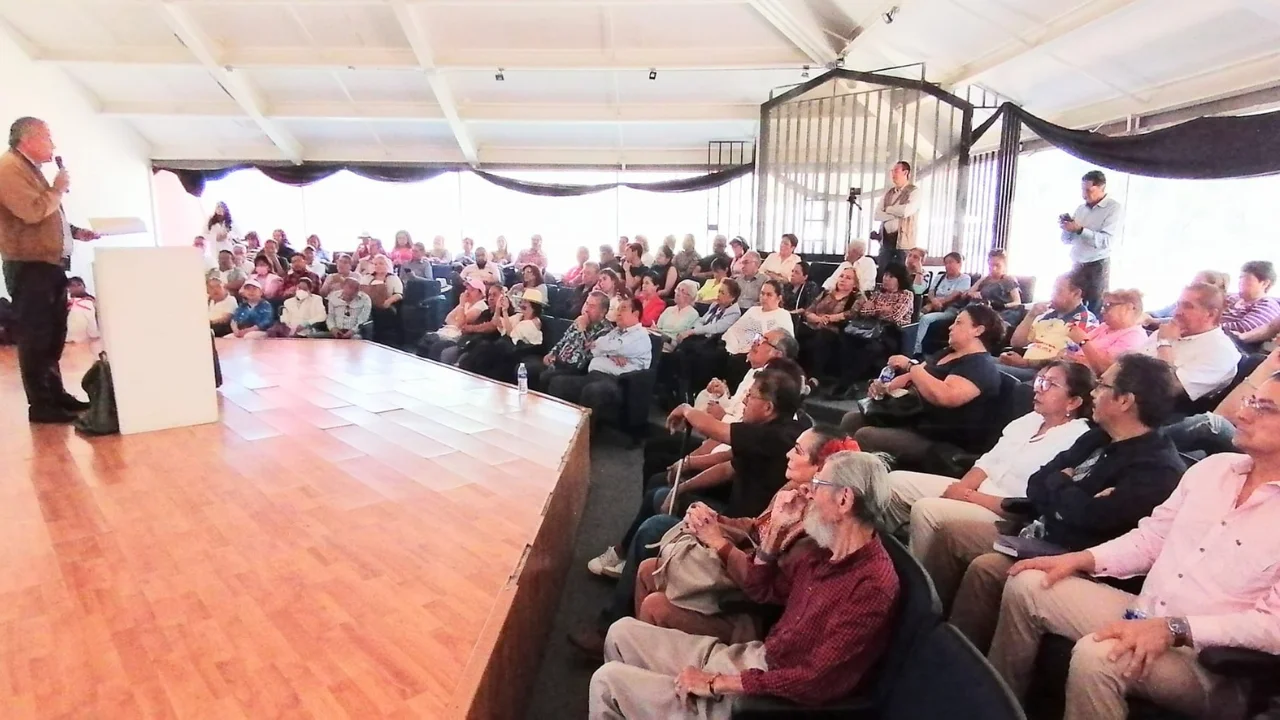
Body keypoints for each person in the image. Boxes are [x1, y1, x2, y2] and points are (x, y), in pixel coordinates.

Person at [985, 367, 1280, 720]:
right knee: (1028, 584)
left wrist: (1178, 627)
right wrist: (1083, 559)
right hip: (1144, 610)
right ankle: (994, 707)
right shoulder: (1214, 469)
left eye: (1265, 408)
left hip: (1212, 665)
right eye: (1251, 400)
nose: (1242, 413)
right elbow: (1152, 539)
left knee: (1101, 658)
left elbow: (1272, 626)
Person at [589, 451, 899, 719]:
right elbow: (762, 590)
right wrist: (776, 529)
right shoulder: (824, 550)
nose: (809, 492)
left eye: (818, 485)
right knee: (620, 633)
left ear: (844, 499)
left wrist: (716, 682)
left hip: (761, 694)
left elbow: (815, 680)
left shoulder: (873, 585)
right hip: (755, 659)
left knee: (607, 682)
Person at [944, 354, 1185, 653]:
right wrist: (1067, 491)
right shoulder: (1098, 437)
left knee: (988, 568)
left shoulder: (1157, 469)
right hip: (1037, 530)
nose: (1093, 393)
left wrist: (1060, 485)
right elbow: (1037, 483)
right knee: (947, 528)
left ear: (1124, 401)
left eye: (1102, 385)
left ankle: (978, 675)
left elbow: (1091, 522)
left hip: (1078, 558)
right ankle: (939, 637)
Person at [575, 363, 806, 646]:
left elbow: (717, 430)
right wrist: (682, 485)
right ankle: (626, 562)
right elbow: (730, 467)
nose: (745, 398)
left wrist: (686, 409)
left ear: (769, 408)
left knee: (653, 527)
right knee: (661, 493)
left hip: (742, 538)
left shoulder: (778, 435)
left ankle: (609, 627)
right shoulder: (765, 430)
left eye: (752, 394)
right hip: (732, 522)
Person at [887, 361, 1093, 539]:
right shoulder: (1031, 419)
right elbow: (988, 461)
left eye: (1051, 384)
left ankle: (923, 574)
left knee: (926, 511)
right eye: (1040, 380)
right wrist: (962, 488)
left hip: (1003, 513)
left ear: (1073, 401)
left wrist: (968, 496)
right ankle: (907, 546)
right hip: (975, 490)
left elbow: (1030, 504)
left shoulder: (1076, 440)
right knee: (894, 483)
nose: (1038, 388)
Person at [0, 118, 100, 422]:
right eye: (47, 138)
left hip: (48, 264)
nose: (53, 145)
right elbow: (31, 212)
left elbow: (45, 215)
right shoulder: (8, 170)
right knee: (37, 335)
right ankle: (42, 405)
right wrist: (57, 188)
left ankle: (56, 395)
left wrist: (73, 232)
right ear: (27, 140)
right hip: (30, 266)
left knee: (53, 333)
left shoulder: (29, 170)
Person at [840, 304, 1006, 463]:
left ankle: (863, 482)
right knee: (851, 419)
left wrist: (910, 365)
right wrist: (883, 388)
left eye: (959, 322)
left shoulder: (979, 365)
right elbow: (910, 377)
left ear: (978, 330)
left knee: (866, 435)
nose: (950, 327)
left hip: (940, 437)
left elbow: (944, 396)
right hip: (913, 419)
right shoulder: (946, 353)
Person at [547, 297, 652, 425]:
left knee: (592, 391)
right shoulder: (616, 332)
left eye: (623, 309)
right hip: (594, 375)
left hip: (618, 381)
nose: (618, 312)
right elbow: (594, 348)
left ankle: (583, 436)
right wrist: (610, 354)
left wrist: (608, 350)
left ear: (636, 314)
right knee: (558, 383)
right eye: (618, 308)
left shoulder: (640, 335)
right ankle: (558, 425)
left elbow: (611, 346)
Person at [1138, 282, 1240, 408]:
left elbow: (1166, 388)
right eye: (1178, 305)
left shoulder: (1222, 351)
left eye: (1187, 306)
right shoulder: (1169, 330)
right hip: (1125, 394)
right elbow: (1128, 363)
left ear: (1211, 314)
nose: (1177, 312)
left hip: (1163, 412)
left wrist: (1164, 343)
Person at [832, 263, 917, 393]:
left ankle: (845, 384)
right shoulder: (878, 293)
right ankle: (848, 381)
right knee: (846, 339)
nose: (886, 279)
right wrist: (883, 310)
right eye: (885, 275)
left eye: (891, 277)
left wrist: (875, 309)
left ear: (899, 280)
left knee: (870, 348)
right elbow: (863, 312)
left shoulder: (906, 295)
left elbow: (895, 316)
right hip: (871, 330)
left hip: (893, 333)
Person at [999, 271, 1098, 381]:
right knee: (980, 362)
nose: (1052, 295)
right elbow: (1016, 343)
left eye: (1058, 291)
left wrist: (1025, 363)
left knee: (989, 371)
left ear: (1076, 294)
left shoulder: (1084, 321)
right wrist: (1031, 316)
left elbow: (1068, 360)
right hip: (1023, 363)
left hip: (1045, 374)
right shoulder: (1047, 314)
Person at [1060, 169, 1120, 315]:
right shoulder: (1081, 209)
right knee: (1072, 307)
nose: (1084, 194)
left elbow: (1107, 241)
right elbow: (1067, 240)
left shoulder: (1113, 208)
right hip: (1077, 263)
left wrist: (1081, 230)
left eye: (1088, 190)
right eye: (1082, 189)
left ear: (1101, 188)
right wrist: (1067, 228)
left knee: (1094, 310)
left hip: (1097, 265)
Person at [533, 291, 613, 391]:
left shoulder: (606, 331)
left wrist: (582, 331)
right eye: (586, 304)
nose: (586, 309)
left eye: (592, 306)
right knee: (531, 369)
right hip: (559, 363)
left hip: (576, 369)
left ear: (603, 311)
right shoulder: (579, 320)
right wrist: (552, 353)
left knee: (548, 377)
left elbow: (585, 357)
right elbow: (564, 340)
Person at [794, 267, 860, 388]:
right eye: (842, 276)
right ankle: (793, 374)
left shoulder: (856, 298)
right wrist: (818, 319)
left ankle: (815, 378)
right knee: (795, 331)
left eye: (848, 278)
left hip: (835, 331)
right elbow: (809, 311)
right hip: (814, 325)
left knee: (822, 336)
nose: (843, 279)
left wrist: (829, 318)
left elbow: (851, 314)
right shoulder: (826, 293)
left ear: (854, 284)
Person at [463, 288, 545, 382]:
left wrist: (505, 311)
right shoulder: (519, 317)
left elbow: (511, 334)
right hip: (509, 348)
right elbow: (497, 322)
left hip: (522, 351)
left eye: (525, 302)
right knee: (483, 346)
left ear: (533, 306)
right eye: (522, 301)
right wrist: (498, 308)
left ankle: (470, 372)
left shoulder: (534, 323)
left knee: (488, 349)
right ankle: (469, 373)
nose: (521, 304)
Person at [1062, 288, 1149, 375]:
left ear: (1129, 308)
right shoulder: (1105, 326)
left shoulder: (1134, 336)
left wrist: (1083, 341)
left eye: (1108, 306)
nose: (1102, 311)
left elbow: (1106, 370)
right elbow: (1080, 353)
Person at [912, 251, 973, 356]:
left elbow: (956, 295)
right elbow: (931, 292)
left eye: (951, 262)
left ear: (959, 264)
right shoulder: (940, 277)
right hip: (934, 306)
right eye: (946, 263)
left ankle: (916, 350)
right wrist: (934, 301)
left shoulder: (964, 278)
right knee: (915, 316)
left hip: (951, 309)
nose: (948, 265)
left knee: (925, 319)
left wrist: (937, 303)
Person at [418, 278, 489, 360]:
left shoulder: (480, 306)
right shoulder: (465, 303)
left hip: (459, 337)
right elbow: (448, 318)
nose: (468, 292)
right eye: (467, 289)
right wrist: (460, 309)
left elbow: (461, 323)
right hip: (449, 331)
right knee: (425, 341)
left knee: (435, 345)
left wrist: (461, 305)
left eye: (472, 290)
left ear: (480, 294)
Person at [874, 160, 920, 272]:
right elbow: (877, 215)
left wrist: (888, 209)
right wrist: (895, 214)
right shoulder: (888, 193)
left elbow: (906, 212)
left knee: (902, 273)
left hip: (903, 243)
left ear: (905, 173)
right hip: (886, 242)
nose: (893, 174)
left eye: (896, 171)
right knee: (883, 272)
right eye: (892, 171)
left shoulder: (914, 192)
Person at [964, 248, 1023, 327]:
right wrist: (972, 294)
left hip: (1003, 312)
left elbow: (1017, 302)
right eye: (991, 265)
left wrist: (1002, 305)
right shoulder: (985, 279)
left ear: (1004, 265)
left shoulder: (1008, 280)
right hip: (986, 310)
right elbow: (968, 293)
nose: (993, 268)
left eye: (997, 265)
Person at [1221, 260, 1279, 336]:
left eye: (1246, 279)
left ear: (1265, 283)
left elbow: (1242, 328)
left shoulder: (1267, 306)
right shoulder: (1232, 298)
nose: (1240, 282)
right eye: (1240, 278)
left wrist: (1208, 326)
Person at [652, 280, 701, 350]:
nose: (678, 293)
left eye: (682, 291)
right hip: (658, 339)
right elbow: (658, 327)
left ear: (690, 296)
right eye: (678, 289)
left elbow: (683, 338)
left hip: (673, 345)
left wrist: (667, 338)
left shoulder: (693, 314)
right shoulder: (669, 309)